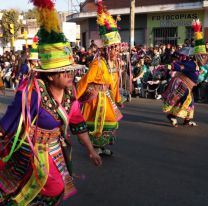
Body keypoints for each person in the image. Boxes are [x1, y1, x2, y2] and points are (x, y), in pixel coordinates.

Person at [0, 0, 102, 205]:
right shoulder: (32, 93)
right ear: (51, 76)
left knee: (57, 189)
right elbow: (8, 123)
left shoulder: (69, 94)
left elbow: (77, 123)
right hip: (30, 151)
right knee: (40, 188)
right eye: (64, 71)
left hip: (55, 149)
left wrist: (91, 150)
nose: (70, 74)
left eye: (70, 70)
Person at [76, 0, 123, 156]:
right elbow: (86, 79)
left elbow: (114, 84)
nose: (117, 50)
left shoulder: (113, 63)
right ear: (108, 49)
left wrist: (118, 98)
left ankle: (100, 147)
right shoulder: (98, 63)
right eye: (114, 48)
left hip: (106, 96)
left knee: (109, 122)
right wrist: (75, 98)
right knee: (99, 123)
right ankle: (95, 148)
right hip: (95, 98)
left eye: (117, 47)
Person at [162, 19, 205, 127]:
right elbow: (179, 66)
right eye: (203, 56)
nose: (204, 58)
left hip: (188, 86)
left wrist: (198, 72)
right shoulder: (191, 63)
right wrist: (168, 66)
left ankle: (187, 120)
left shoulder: (196, 66)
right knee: (181, 102)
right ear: (197, 56)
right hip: (183, 85)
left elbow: (193, 74)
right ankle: (171, 116)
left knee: (190, 104)